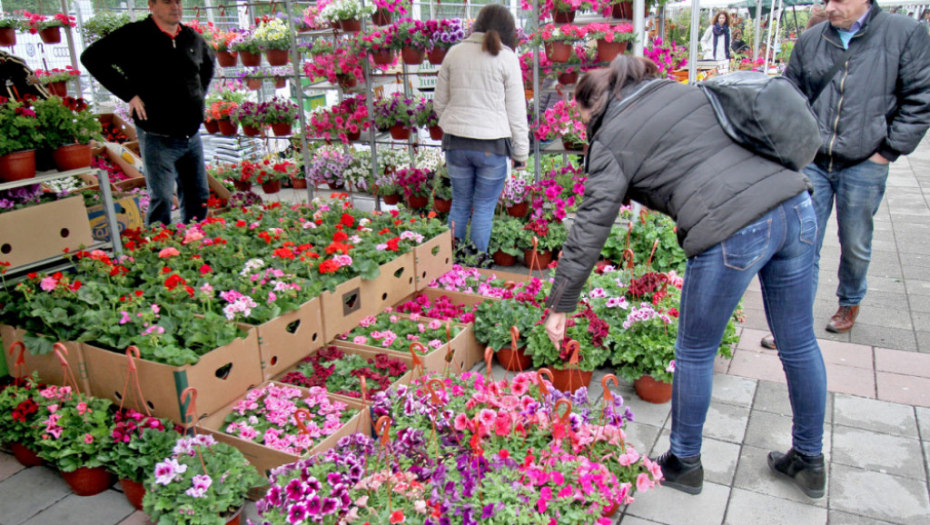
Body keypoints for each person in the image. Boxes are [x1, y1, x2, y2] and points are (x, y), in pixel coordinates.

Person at [545, 56, 827, 498]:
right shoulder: (678, 91)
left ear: (593, 105)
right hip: (796, 207)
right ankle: (810, 460)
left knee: (694, 352)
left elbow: (590, 225)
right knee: (799, 343)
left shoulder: (611, 136)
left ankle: (684, 462)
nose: (584, 132)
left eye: (583, 122)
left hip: (733, 226)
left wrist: (560, 303)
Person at [760, 0, 930, 350]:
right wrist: (791, 143)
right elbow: (789, 93)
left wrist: (888, 151)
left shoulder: (904, 33)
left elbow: (920, 98)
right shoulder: (812, 39)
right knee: (802, 243)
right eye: (826, 0)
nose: (830, 7)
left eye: (838, 0)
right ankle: (793, 325)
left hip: (865, 160)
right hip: (813, 160)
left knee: (855, 241)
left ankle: (849, 301)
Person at [81, 0, 215, 227]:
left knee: (198, 195)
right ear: (151, 5)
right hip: (157, 134)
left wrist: (197, 97)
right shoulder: (134, 35)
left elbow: (208, 66)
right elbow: (91, 58)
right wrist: (129, 94)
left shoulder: (191, 37)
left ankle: (196, 240)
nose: (175, 6)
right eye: (167, 2)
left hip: (191, 135)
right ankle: (158, 243)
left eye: (178, 1)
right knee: (162, 199)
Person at [433, 3, 529, 264]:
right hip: (492, 147)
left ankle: (449, 265)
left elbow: (439, 103)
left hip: (456, 144)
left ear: (477, 25)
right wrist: (520, 154)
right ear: (509, 30)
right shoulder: (507, 58)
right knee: (484, 208)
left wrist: (453, 124)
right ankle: (476, 268)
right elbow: (517, 113)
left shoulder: (454, 53)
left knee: (460, 203)